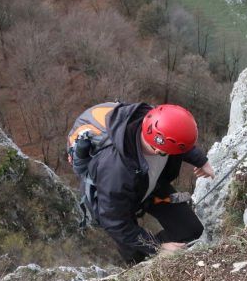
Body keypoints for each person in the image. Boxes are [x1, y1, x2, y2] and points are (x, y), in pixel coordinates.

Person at [67, 102, 215, 264]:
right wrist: (157, 247)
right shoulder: (116, 171)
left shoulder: (152, 121)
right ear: (159, 150)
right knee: (137, 258)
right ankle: (141, 265)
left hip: (150, 186)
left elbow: (176, 137)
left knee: (191, 231)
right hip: (115, 205)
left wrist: (201, 161)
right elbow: (114, 221)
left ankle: (163, 250)